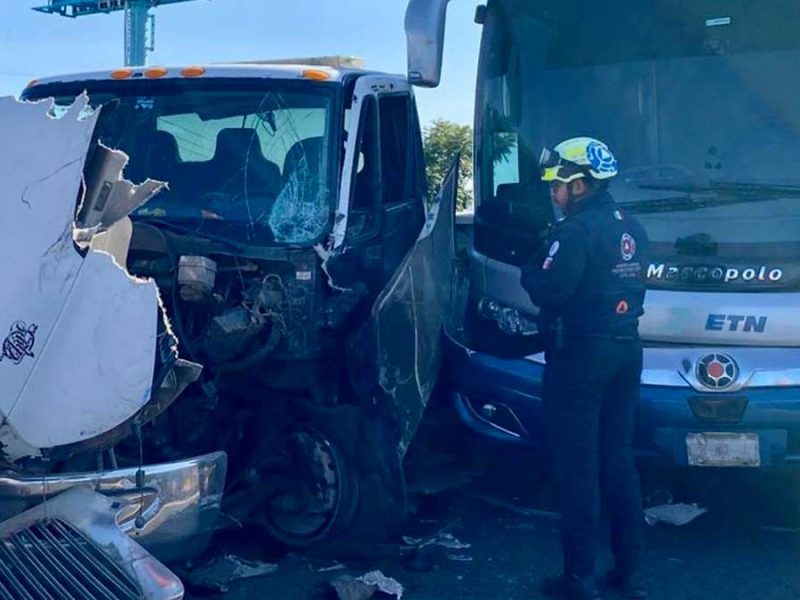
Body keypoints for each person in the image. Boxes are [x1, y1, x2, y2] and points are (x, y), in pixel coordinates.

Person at [520, 137, 649, 600]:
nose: (553, 193)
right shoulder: (630, 226)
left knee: (578, 466)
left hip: (579, 357)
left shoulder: (574, 232)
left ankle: (578, 578)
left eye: (558, 184)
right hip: (626, 350)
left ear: (579, 185)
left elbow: (549, 291)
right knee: (618, 461)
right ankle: (629, 572)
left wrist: (530, 265)